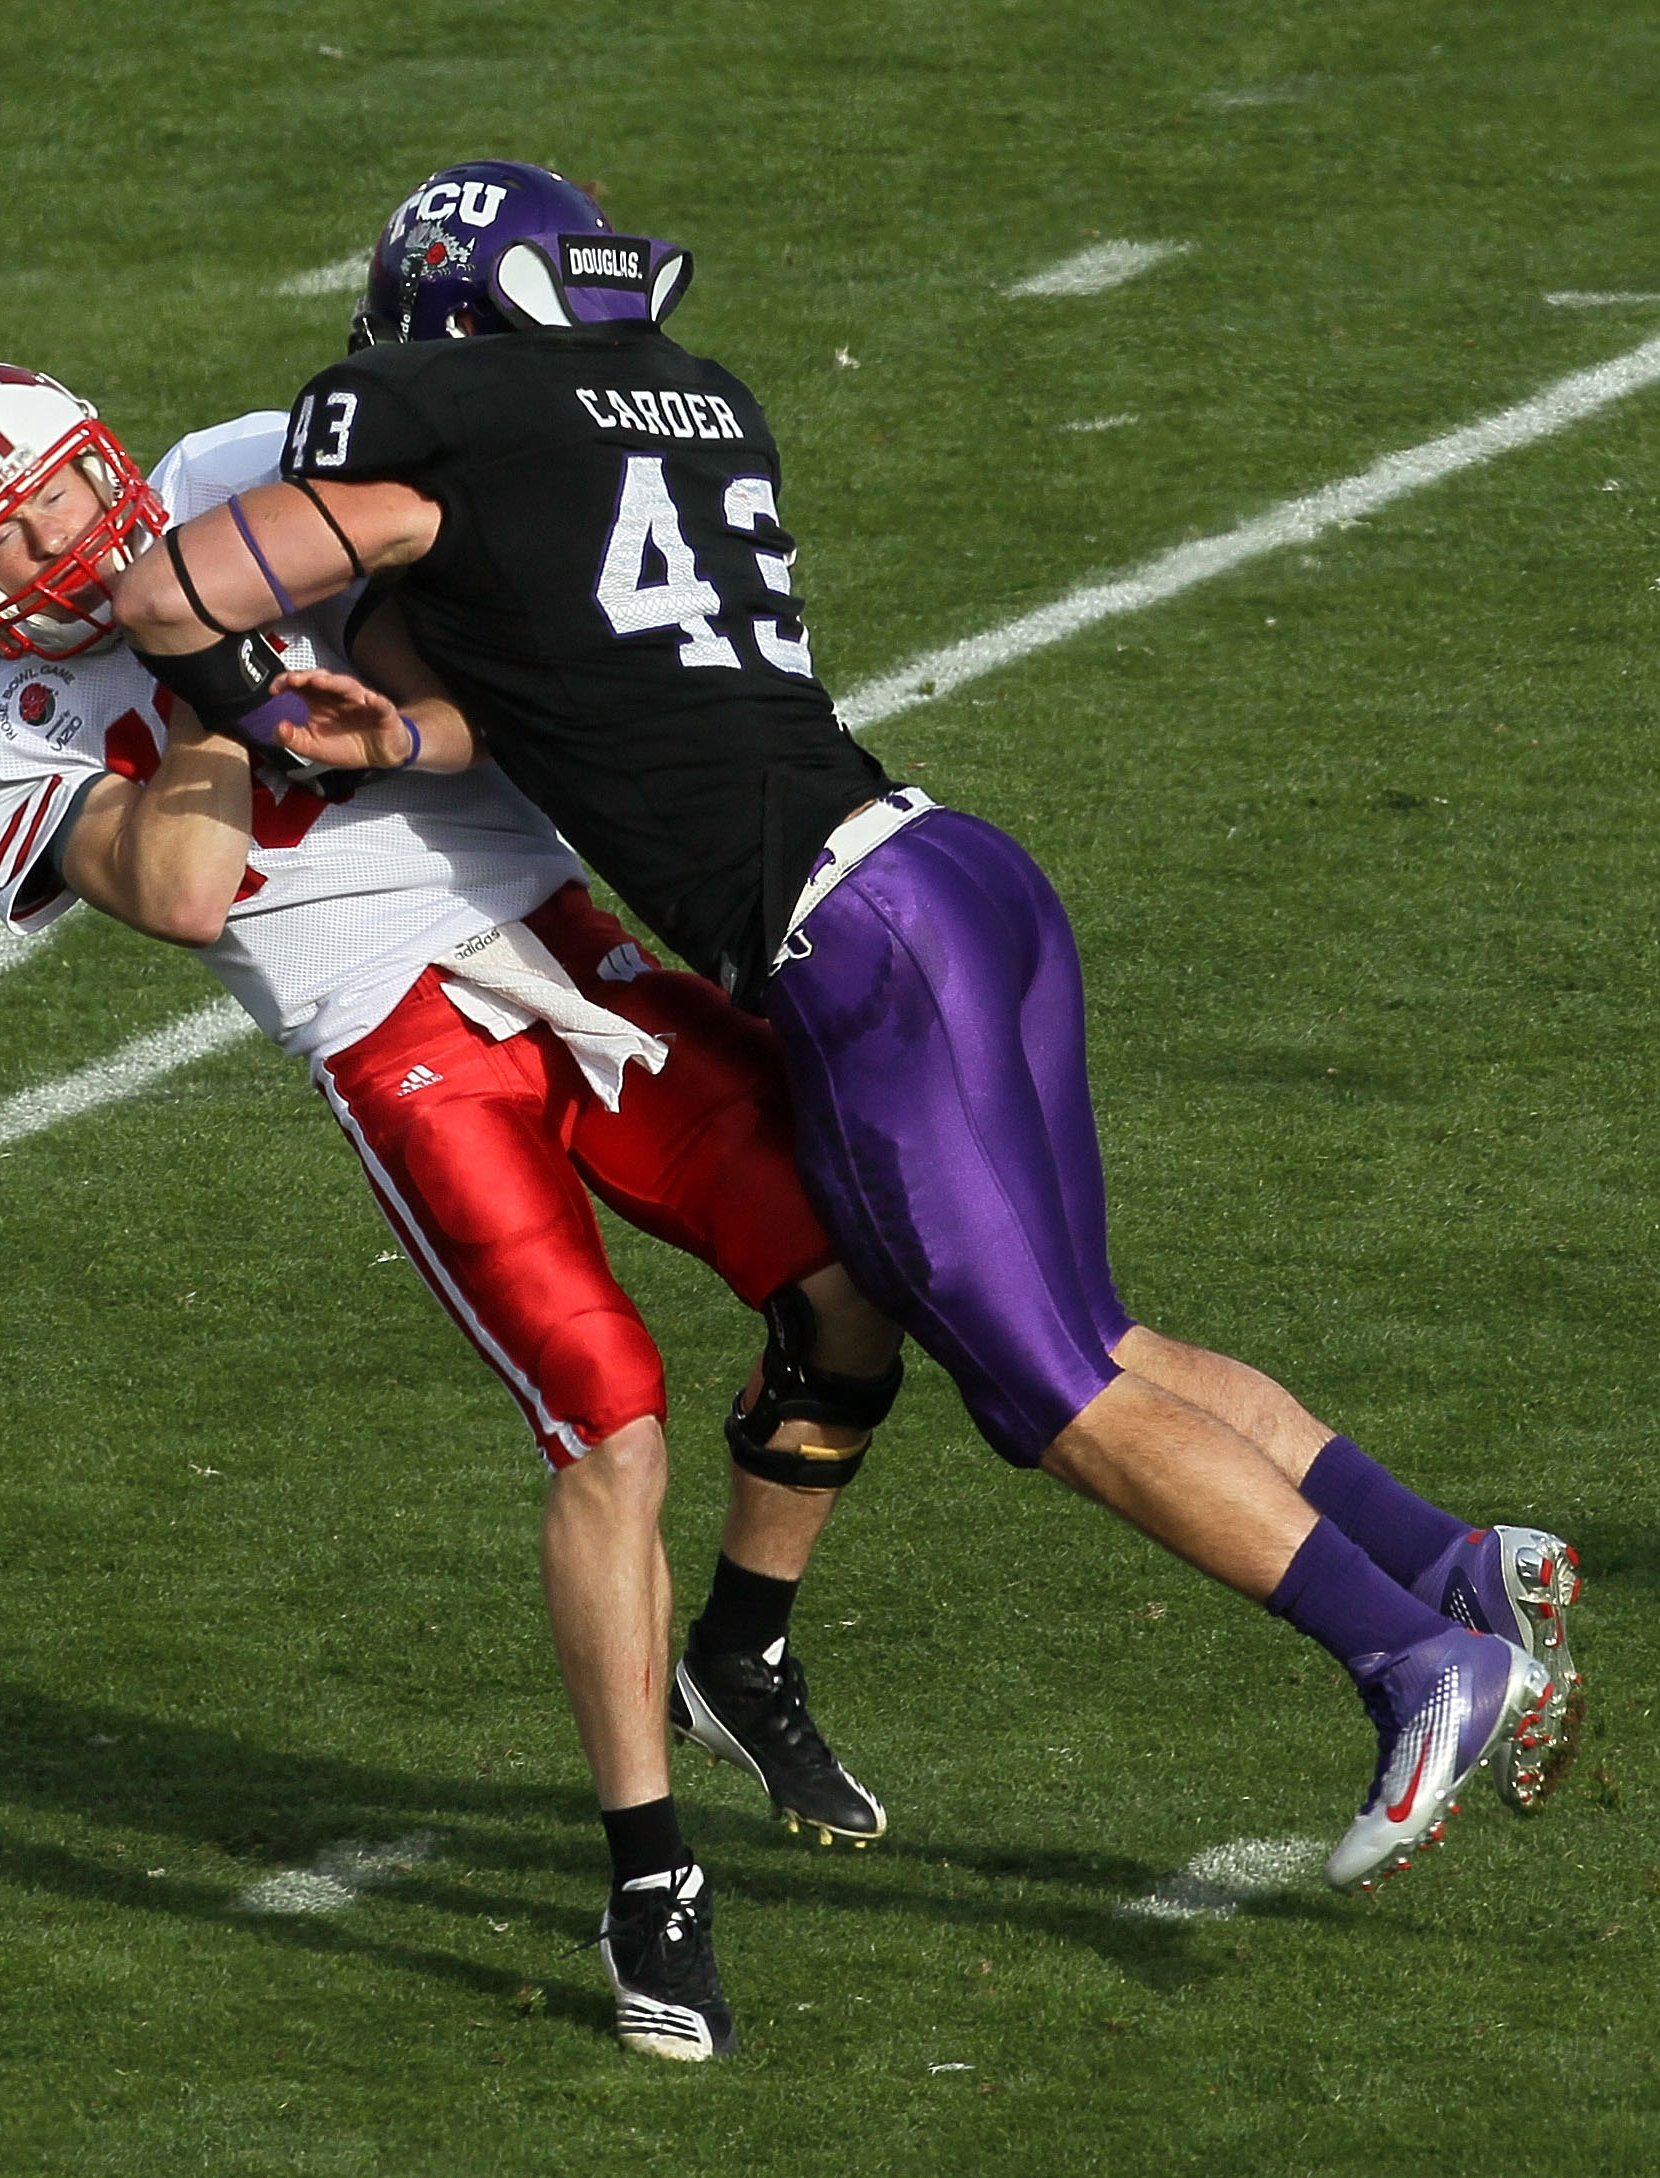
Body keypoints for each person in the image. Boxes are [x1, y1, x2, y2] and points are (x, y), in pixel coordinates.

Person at [99, 163, 1585, 1921]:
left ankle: (1416, 1657)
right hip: (956, 878)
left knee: (1051, 1390)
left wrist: (239, 695)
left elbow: (169, 600)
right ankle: (1454, 1555)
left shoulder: (437, 425)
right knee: (1092, 1327)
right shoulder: (695, 402)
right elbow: (547, 684)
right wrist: (386, 740)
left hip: (854, 945)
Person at [0, 358, 916, 2061]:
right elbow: (192, 884)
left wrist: (285, 618)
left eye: (68, 489)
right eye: (20, 533)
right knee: (609, 1422)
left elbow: (494, 584)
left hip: (566, 942)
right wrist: (186, 640)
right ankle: (648, 1872)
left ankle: (741, 1641)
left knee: (856, 1283)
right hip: (397, 1039)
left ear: (102, 454)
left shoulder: (238, 469)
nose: (67, 537)